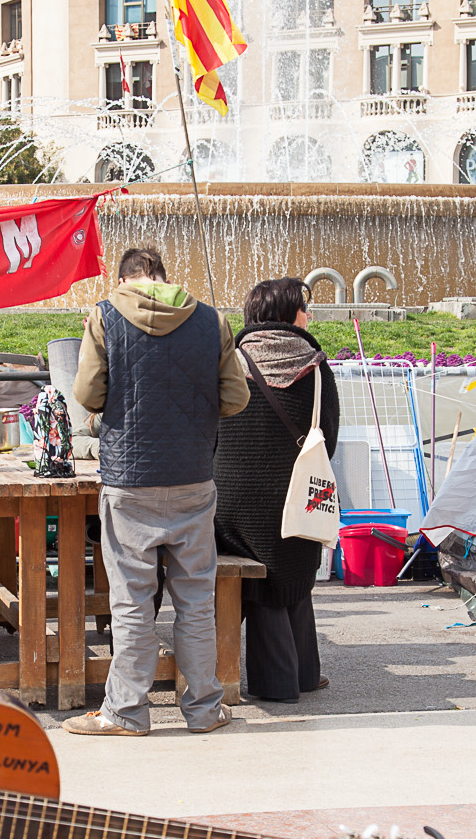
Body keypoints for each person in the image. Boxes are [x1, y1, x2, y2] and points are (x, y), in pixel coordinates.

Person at [64, 246, 249, 736]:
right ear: (164, 279)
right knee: (195, 599)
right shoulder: (211, 320)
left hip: (129, 482)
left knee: (131, 601)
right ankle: (205, 709)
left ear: (124, 281)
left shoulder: (104, 316)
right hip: (192, 477)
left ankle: (125, 712)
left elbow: (86, 395)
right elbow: (237, 396)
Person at [215, 277, 339, 703]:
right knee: (291, 556)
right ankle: (293, 677)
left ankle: (291, 676)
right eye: (304, 308)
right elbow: (330, 440)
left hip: (229, 511)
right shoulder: (317, 366)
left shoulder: (230, 361)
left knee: (263, 554)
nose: (309, 316)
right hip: (300, 502)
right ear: (288, 314)